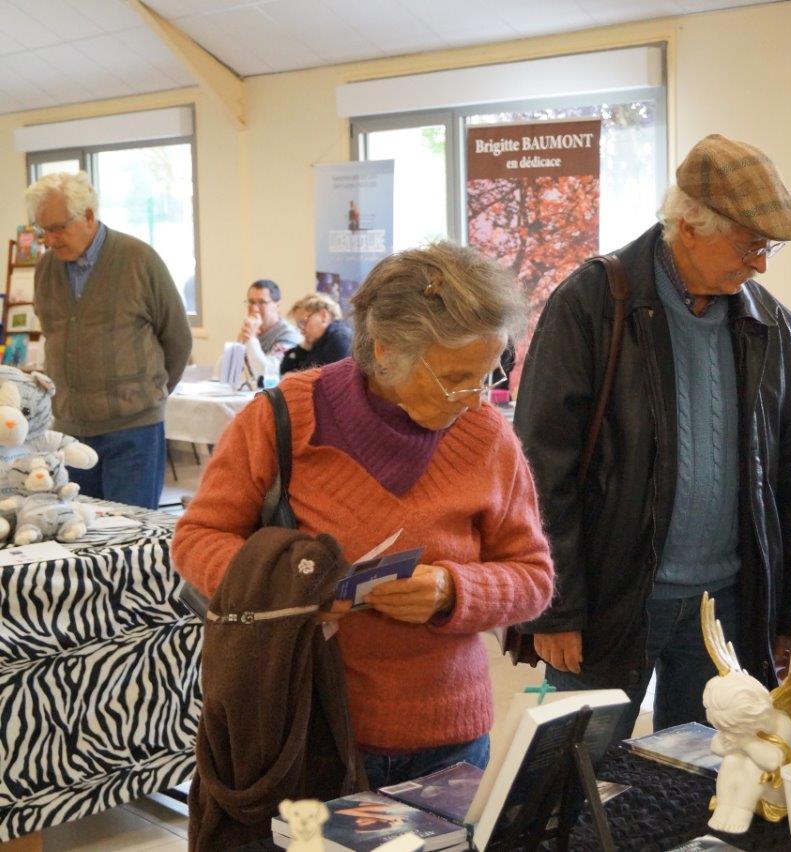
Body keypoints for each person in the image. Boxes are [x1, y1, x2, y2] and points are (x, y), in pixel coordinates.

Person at [173, 241, 554, 788]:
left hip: (447, 734)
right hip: (307, 724)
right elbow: (198, 538)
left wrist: (454, 590)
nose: (475, 399)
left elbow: (534, 577)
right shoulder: (282, 418)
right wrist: (293, 586)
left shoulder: (488, 436)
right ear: (383, 350)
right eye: (455, 377)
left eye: (488, 374)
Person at [514, 134, 791, 742]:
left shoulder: (772, 327)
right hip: (613, 597)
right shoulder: (591, 307)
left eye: (770, 248)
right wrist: (553, 608)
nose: (760, 263)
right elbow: (540, 470)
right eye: (750, 245)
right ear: (689, 225)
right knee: (581, 777)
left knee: (710, 778)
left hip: (731, 606)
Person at [25, 171, 192, 509]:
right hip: (70, 432)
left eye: (58, 227)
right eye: (43, 231)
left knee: (130, 536)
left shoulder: (138, 260)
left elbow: (177, 338)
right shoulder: (46, 269)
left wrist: (149, 394)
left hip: (133, 431)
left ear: (88, 215)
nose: (51, 239)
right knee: (79, 537)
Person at [239, 279, 302, 380]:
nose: (254, 308)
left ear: (277, 306)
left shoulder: (289, 335)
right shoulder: (252, 330)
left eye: (262, 302)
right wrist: (239, 342)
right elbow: (221, 373)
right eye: (251, 302)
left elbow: (265, 375)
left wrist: (251, 338)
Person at [280, 292, 353, 375]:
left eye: (303, 322)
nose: (302, 330)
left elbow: (332, 382)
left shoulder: (340, 339)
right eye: (299, 325)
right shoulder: (320, 340)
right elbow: (285, 371)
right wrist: (302, 348)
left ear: (323, 316)